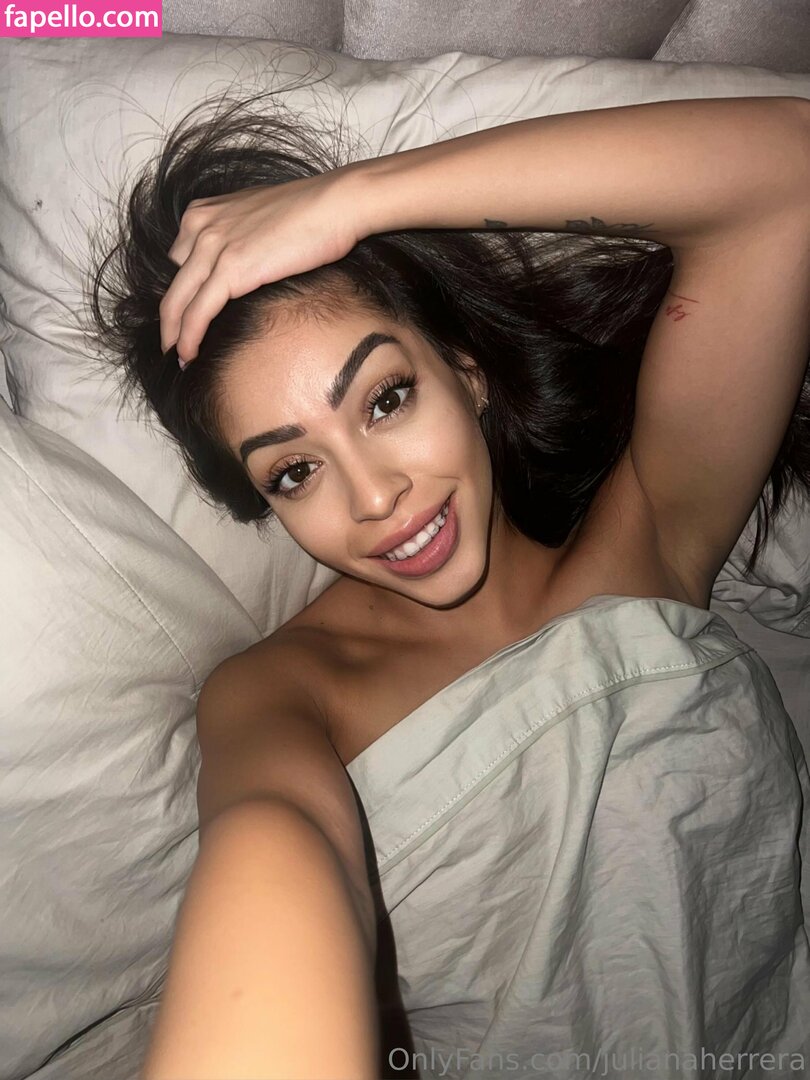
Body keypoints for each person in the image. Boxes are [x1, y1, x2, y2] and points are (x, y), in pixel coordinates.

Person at [89, 92, 810, 1079]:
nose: (376, 497)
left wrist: (357, 200)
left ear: (466, 372)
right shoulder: (285, 693)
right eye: (294, 472)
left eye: (386, 399)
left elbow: (787, 170)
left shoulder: (651, 540)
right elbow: (274, 843)